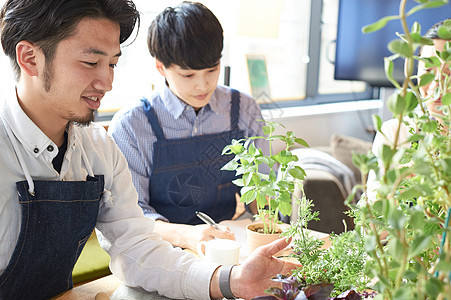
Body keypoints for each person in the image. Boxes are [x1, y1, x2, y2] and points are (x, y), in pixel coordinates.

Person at [0, 0, 298, 299]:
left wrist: (232, 281)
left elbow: (138, 249)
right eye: (91, 63)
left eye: (112, 64)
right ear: (30, 58)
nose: (107, 83)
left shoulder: (97, 149)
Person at [109, 1, 267, 251]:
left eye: (212, 70)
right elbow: (131, 216)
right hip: (159, 251)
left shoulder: (243, 110)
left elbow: (261, 188)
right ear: (161, 66)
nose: (203, 86)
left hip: (227, 245)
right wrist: (187, 237)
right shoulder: (132, 125)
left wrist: (269, 222)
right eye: (188, 75)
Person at [366, 19, 450, 200]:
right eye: (428, 69)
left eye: (449, 73)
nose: (437, 83)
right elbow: (370, 212)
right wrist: (393, 190)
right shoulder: (393, 133)